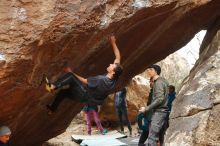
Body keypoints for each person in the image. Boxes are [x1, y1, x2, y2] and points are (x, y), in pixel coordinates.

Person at [45, 35, 123, 114]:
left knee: (71, 76)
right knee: (63, 93)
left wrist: (71, 72)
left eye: (112, 66)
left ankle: (53, 86)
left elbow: (84, 81)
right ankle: (52, 109)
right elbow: (118, 57)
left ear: (113, 72)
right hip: (86, 99)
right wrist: (113, 43)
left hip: (83, 94)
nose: (110, 64)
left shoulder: (101, 80)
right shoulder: (114, 78)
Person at [139, 65, 169, 146]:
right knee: (160, 137)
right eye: (148, 69)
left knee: (152, 139)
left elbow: (159, 99)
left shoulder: (158, 82)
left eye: (150, 69)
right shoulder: (163, 81)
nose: (148, 71)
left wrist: (146, 108)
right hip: (161, 112)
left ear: (156, 71)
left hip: (159, 112)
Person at [138, 77, 154, 146]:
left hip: (153, 125)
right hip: (148, 126)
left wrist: (142, 127)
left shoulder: (156, 93)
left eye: (151, 81)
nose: (150, 83)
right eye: (149, 81)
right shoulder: (152, 92)